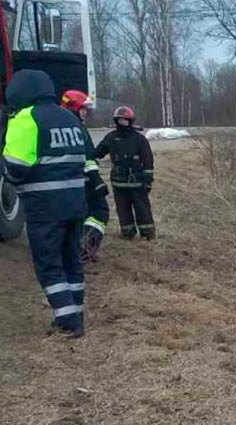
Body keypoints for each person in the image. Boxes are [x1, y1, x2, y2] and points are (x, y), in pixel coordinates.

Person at [3, 70, 89, 337]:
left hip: (45, 207)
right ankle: (76, 314)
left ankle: (67, 323)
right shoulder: (69, 118)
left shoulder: (26, 119)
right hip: (76, 204)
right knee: (71, 261)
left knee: (49, 265)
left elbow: (16, 167)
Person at [59, 89, 110, 263]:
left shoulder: (57, 127)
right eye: (83, 109)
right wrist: (97, 181)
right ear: (73, 108)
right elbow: (88, 158)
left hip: (65, 183)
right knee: (99, 212)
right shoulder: (78, 130)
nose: (85, 113)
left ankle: (71, 250)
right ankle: (85, 249)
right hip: (84, 181)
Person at [94, 105, 154, 239]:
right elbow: (97, 153)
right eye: (119, 120)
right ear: (115, 121)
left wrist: (148, 181)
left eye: (125, 120)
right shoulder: (111, 138)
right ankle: (127, 233)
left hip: (137, 181)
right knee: (123, 209)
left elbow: (148, 161)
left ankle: (147, 234)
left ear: (131, 121)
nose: (122, 123)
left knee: (142, 209)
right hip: (118, 181)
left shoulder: (140, 140)